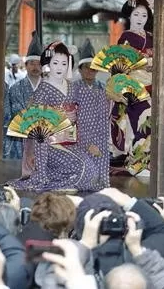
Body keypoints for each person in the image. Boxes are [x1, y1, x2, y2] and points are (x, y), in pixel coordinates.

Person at [9, 41, 111, 192]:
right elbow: (39, 131)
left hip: (71, 142)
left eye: (64, 63)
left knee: (92, 173)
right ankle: (48, 179)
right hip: (50, 145)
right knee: (84, 171)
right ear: (49, 63)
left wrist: (114, 95)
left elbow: (90, 109)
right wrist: (39, 165)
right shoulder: (43, 89)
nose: (59, 67)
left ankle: (59, 179)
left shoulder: (72, 87)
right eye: (55, 63)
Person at [111, 0, 154, 177]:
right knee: (138, 122)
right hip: (133, 86)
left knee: (149, 123)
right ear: (129, 16)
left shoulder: (152, 37)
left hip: (152, 85)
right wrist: (144, 63)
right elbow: (124, 63)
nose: (140, 19)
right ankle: (135, 161)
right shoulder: (126, 37)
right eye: (136, 14)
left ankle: (146, 162)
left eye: (144, 15)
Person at [7, 32, 43, 169]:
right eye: (32, 64)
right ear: (26, 65)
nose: (35, 67)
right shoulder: (15, 88)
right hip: (20, 141)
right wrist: (27, 110)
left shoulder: (50, 88)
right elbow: (13, 115)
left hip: (44, 141)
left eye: (39, 64)